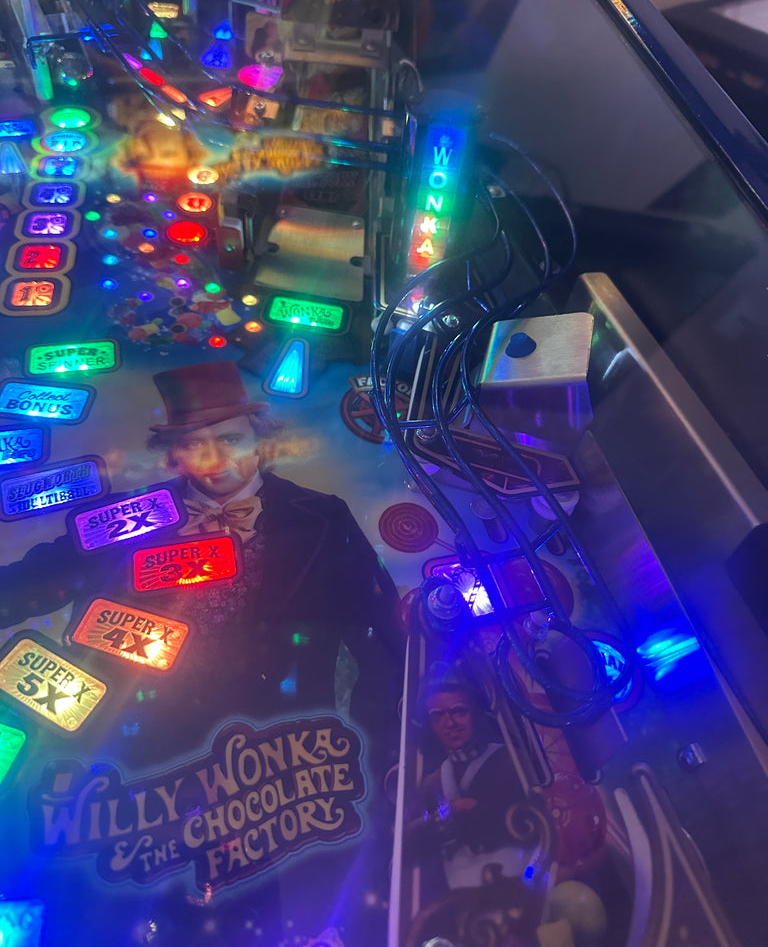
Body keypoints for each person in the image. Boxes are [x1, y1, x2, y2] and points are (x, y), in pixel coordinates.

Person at [0, 361, 404, 759]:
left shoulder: (323, 517)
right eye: (194, 444)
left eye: (230, 439)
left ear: (261, 440)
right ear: (173, 454)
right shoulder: (125, 516)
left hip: (285, 747)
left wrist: (380, 749)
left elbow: (381, 634)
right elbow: (36, 581)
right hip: (141, 745)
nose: (214, 459)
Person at [407, 666, 541, 891]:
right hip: (461, 900)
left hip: (521, 887)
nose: (449, 723)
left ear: (476, 713)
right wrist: (453, 809)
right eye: (438, 715)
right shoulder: (433, 783)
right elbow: (408, 840)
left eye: (459, 711)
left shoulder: (511, 761)